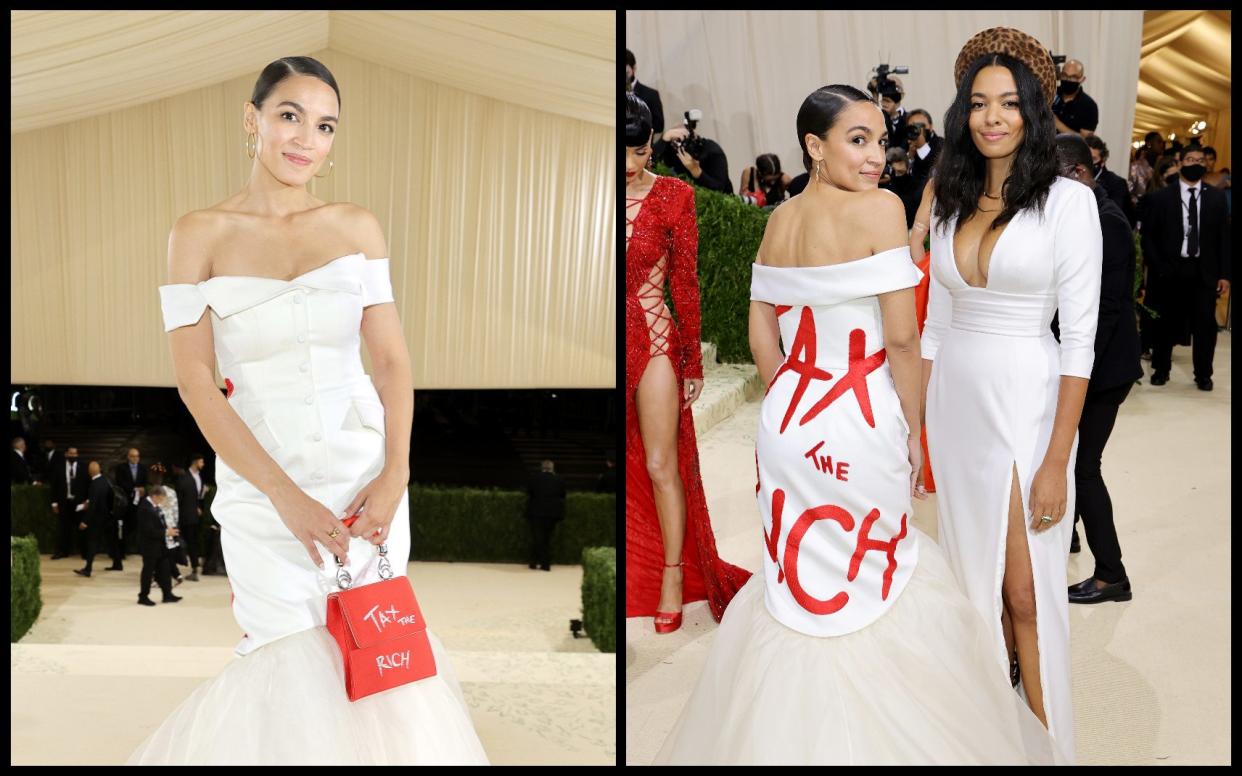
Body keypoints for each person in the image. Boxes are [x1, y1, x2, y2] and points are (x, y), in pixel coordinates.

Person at [656, 84, 1061, 765]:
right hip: (860, 412)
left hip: (789, 419)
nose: (876, 157)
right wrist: (910, 427)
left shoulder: (779, 220)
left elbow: (761, 335)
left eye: (880, 141)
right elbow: (902, 341)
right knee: (877, 575)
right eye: (857, 140)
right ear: (814, 146)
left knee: (799, 588)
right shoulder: (881, 210)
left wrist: (793, 396)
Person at [131, 55, 488, 764]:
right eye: (289, 115)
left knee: (376, 652)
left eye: (324, 126)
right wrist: (283, 497)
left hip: (363, 479)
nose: (305, 138)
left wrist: (396, 474)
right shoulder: (195, 234)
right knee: (286, 654)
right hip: (265, 489)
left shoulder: (356, 226)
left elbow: (390, 360)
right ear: (252, 119)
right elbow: (197, 382)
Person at [921, 28, 1103, 763]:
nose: (992, 116)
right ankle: (994, 739)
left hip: (1028, 405)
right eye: (977, 104)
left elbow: (1080, 341)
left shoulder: (1068, 204)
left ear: (1032, 110)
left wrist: (1058, 459)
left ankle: (1048, 747)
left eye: (1007, 103)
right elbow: (932, 329)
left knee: (1028, 593)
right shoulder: (946, 203)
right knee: (977, 593)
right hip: (955, 411)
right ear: (963, 113)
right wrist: (914, 430)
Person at [625, 92, 750, 634]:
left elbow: (685, 284)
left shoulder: (674, 195)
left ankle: (673, 575)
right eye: (618, 152)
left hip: (653, 339)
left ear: (652, 144)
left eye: (638, 150)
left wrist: (690, 359)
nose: (629, 164)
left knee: (659, 464)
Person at [1051, 133, 1142, 600]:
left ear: (1079, 175)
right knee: (1074, 463)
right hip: (1096, 363)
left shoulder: (1107, 223)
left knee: (1084, 467)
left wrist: (1076, 375)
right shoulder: (1091, 214)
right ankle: (1067, 535)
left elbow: (1102, 312)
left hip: (1103, 368)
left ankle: (1111, 574)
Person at [1141, 145, 1231, 390]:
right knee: (1165, 323)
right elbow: (1148, 237)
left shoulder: (1216, 197)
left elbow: (1224, 237)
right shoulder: (1160, 197)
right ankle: (1161, 369)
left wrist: (1224, 274)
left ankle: (1203, 374)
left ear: (1206, 164)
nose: (1195, 163)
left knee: (1205, 327)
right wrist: (1158, 267)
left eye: (1200, 160)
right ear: (1180, 163)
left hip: (1204, 272)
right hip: (1169, 270)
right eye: (1190, 159)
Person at [653, 120, 734, 195]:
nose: (679, 145)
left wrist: (696, 171)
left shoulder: (713, 152)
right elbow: (649, 163)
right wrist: (663, 139)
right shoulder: (674, 149)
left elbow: (719, 189)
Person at [136, 484, 181, 606]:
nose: (162, 502)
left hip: (160, 544)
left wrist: (169, 530)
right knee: (148, 571)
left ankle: (167, 594)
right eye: (161, 499)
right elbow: (148, 531)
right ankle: (143, 596)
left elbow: (159, 523)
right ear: (154, 496)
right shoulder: (145, 508)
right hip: (149, 546)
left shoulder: (154, 506)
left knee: (165, 569)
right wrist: (167, 532)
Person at [1085, 135, 1135, 225]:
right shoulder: (1073, 179)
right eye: (1086, 158)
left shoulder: (1117, 184)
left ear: (1103, 161)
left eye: (1093, 159)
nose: (1089, 163)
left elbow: (1114, 217)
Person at [75, 461, 114, 577]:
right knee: (111, 540)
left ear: (89, 472)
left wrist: (85, 521)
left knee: (92, 543)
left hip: (97, 519)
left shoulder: (94, 484)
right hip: (107, 517)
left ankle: (88, 569)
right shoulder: (105, 480)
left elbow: (93, 505)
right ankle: (118, 563)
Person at [50, 446, 90, 559]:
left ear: (77, 455)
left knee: (82, 528)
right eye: (71, 454)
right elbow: (54, 486)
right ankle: (62, 552)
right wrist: (54, 503)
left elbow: (89, 486)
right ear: (66, 454)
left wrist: (87, 501)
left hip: (79, 504)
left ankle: (85, 553)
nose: (73, 456)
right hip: (64, 502)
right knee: (63, 528)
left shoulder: (84, 467)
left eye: (75, 454)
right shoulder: (58, 467)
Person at [526, 459, 566, 571]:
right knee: (546, 538)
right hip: (553, 513)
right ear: (552, 468)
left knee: (537, 537)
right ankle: (542, 563)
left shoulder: (534, 478)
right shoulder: (559, 479)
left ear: (542, 468)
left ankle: (537, 562)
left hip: (536, 511)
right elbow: (563, 495)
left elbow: (529, 492)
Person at [1050, 58, 1097, 137]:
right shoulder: (1051, 93)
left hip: (1071, 148)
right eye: (1064, 75)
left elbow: (1086, 141)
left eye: (1073, 77)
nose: (1068, 79)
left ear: (1082, 79)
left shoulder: (1089, 106)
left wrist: (1058, 124)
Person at [114, 448, 147, 558]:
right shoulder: (121, 468)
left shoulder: (142, 468)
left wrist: (142, 489)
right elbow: (119, 482)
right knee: (124, 528)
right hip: (125, 503)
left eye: (137, 456)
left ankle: (137, 549)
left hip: (138, 504)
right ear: (128, 457)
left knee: (137, 526)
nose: (135, 458)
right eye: (133, 456)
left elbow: (145, 483)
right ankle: (121, 552)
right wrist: (134, 489)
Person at [625, 48, 665, 137]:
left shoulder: (651, 95)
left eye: (626, 72)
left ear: (634, 68)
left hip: (642, 148)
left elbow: (659, 126)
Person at [172, 462, 201, 581]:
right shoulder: (192, 479)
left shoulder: (181, 481)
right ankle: (195, 569)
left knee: (174, 543)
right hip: (193, 516)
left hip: (184, 517)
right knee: (192, 543)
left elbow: (178, 501)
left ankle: (172, 570)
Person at [904, 108, 944, 189]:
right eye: (912, 127)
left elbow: (929, 173)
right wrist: (910, 158)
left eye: (920, 125)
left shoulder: (942, 145)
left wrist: (922, 146)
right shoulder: (905, 144)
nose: (917, 130)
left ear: (931, 126)